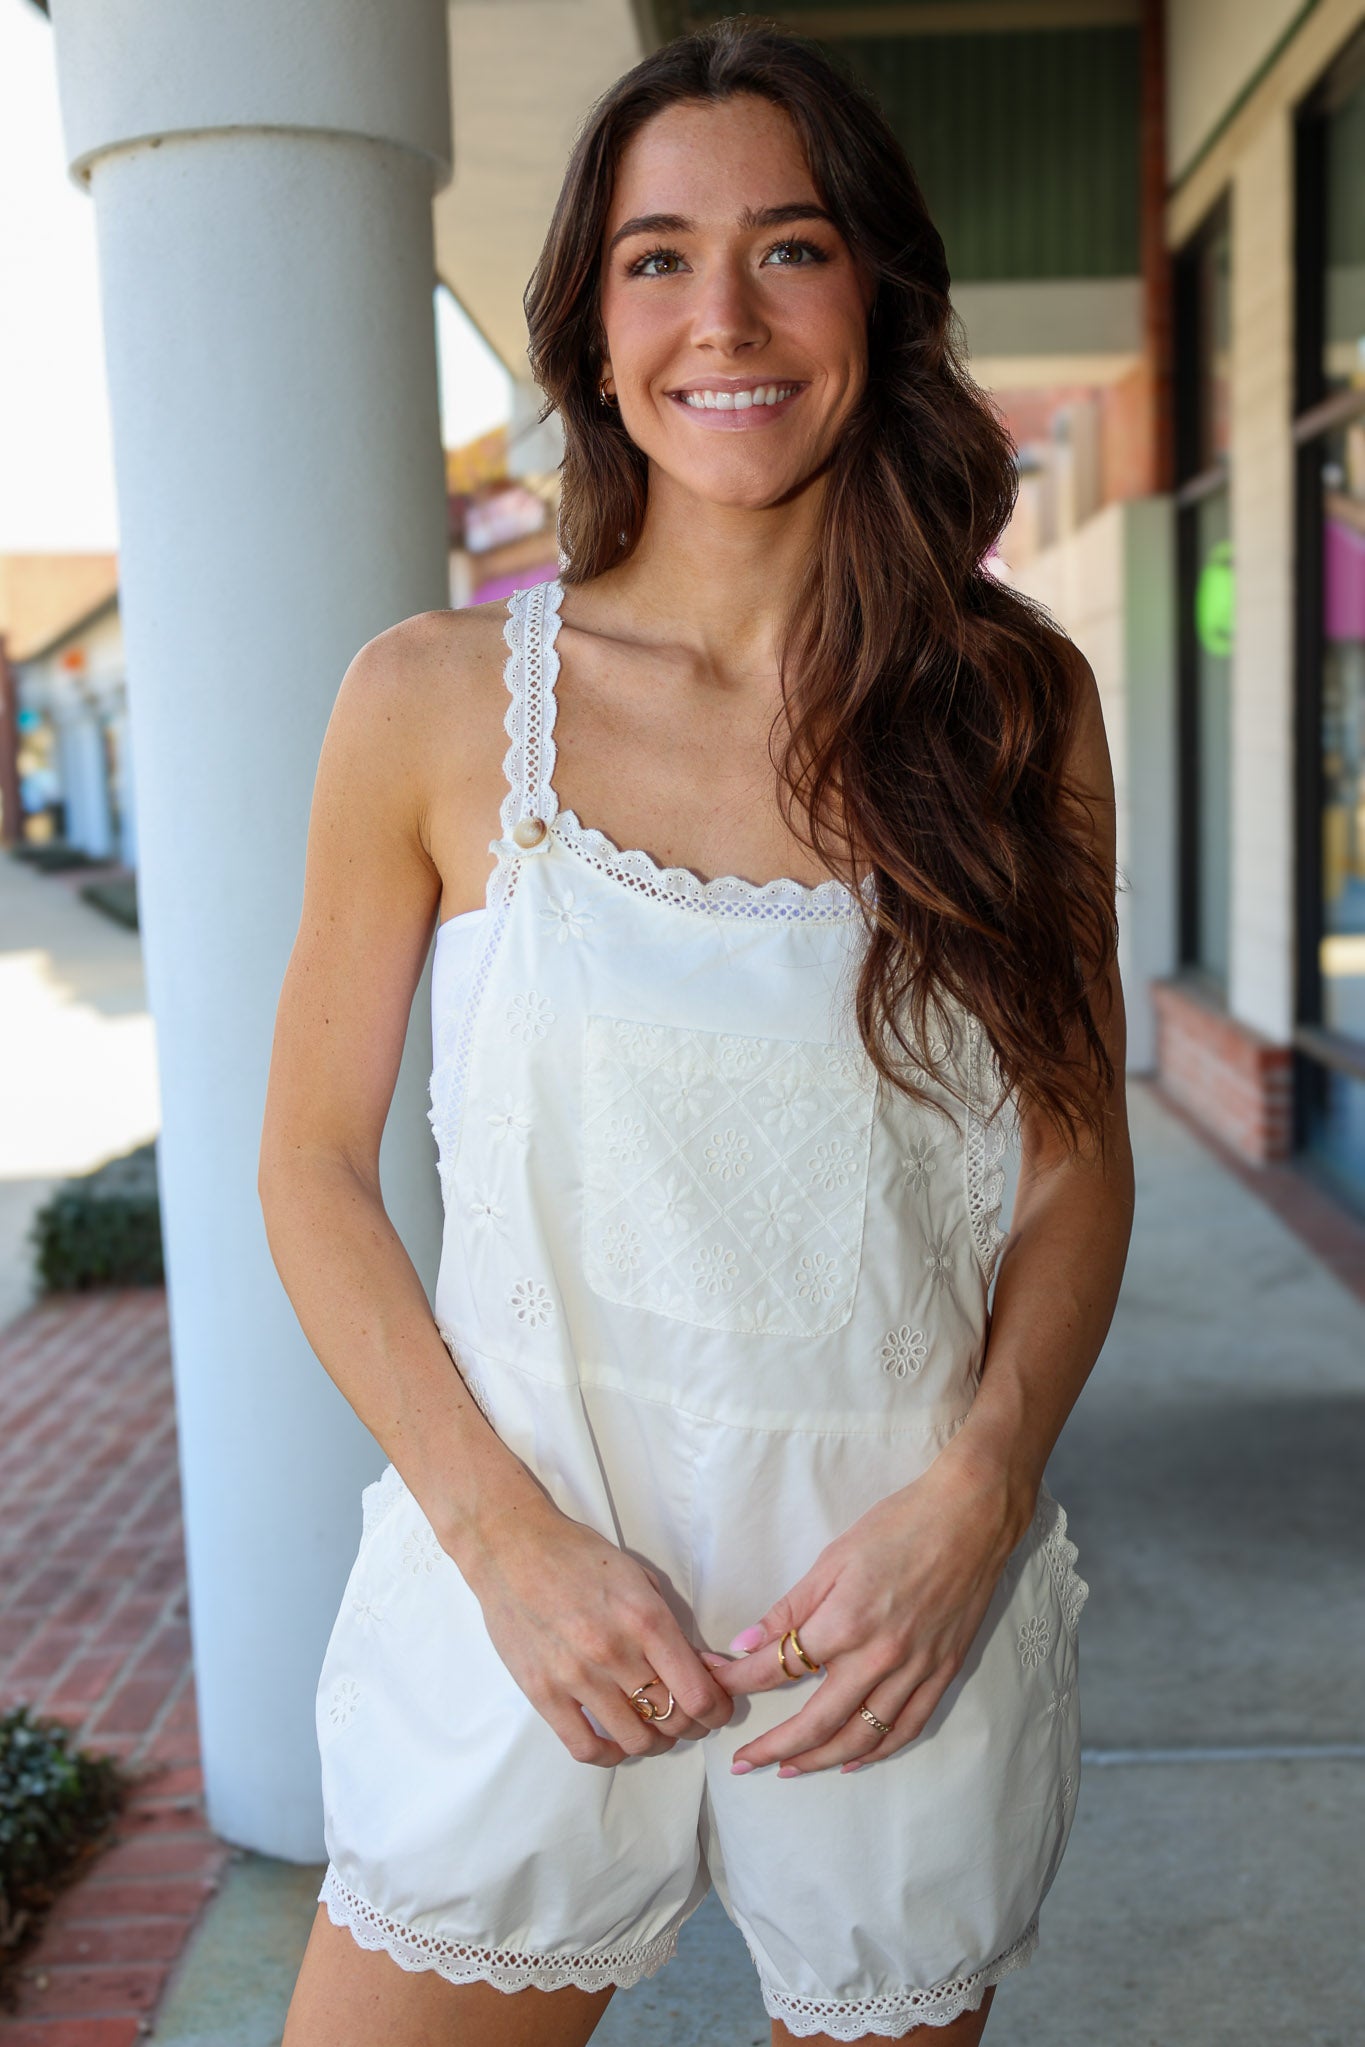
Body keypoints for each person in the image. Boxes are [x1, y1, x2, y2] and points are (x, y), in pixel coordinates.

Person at [259, 17, 1134, 2045]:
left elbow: (1074, 1161)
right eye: (655, 255)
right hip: (528, 1584)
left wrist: (979, 1492)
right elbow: (307, 1164)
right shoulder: (430, 700)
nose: (719, 314)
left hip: (892, 1613)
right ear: (583, 320)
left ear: (880, 294)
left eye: (788, 245)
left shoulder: (1011, 711)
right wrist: (501, 1543)